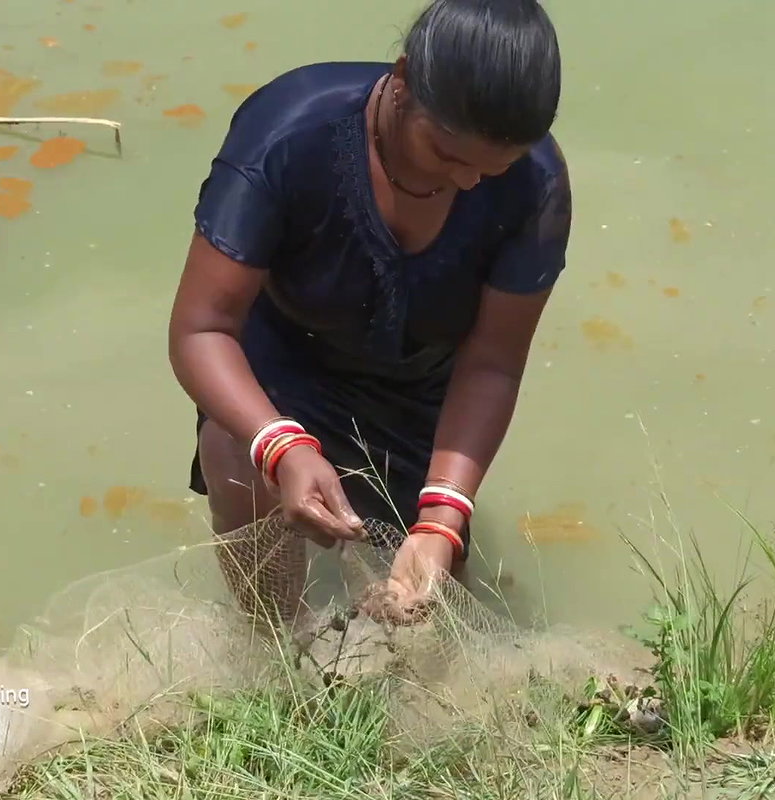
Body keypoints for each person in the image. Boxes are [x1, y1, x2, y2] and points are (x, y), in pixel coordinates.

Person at [167, 0, 571, 622]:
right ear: (403, 80)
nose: (466, 182)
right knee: (241, 464)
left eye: (493, 169)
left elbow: (491, 364)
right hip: (285, 360)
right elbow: (202, 328)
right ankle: (277, 655)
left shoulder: (535, 185)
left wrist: (442, 515)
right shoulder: (289, 135)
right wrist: (282, 445)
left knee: (430, 585)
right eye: (446, 153)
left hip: (420, 377)